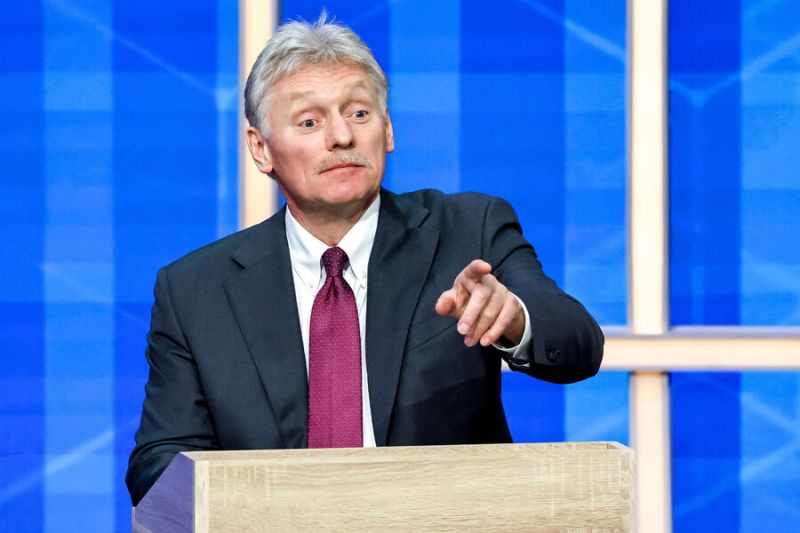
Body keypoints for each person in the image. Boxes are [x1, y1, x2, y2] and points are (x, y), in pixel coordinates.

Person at [126, 14, 604, 505]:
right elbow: (158, 462)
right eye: (310, 122)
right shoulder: (196, 292)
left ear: (387, 129)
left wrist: (515, 319)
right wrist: (269, 505)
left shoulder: (468, 230)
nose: (341, 137)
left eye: (358, 113)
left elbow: (579, 346)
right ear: (260, 148)